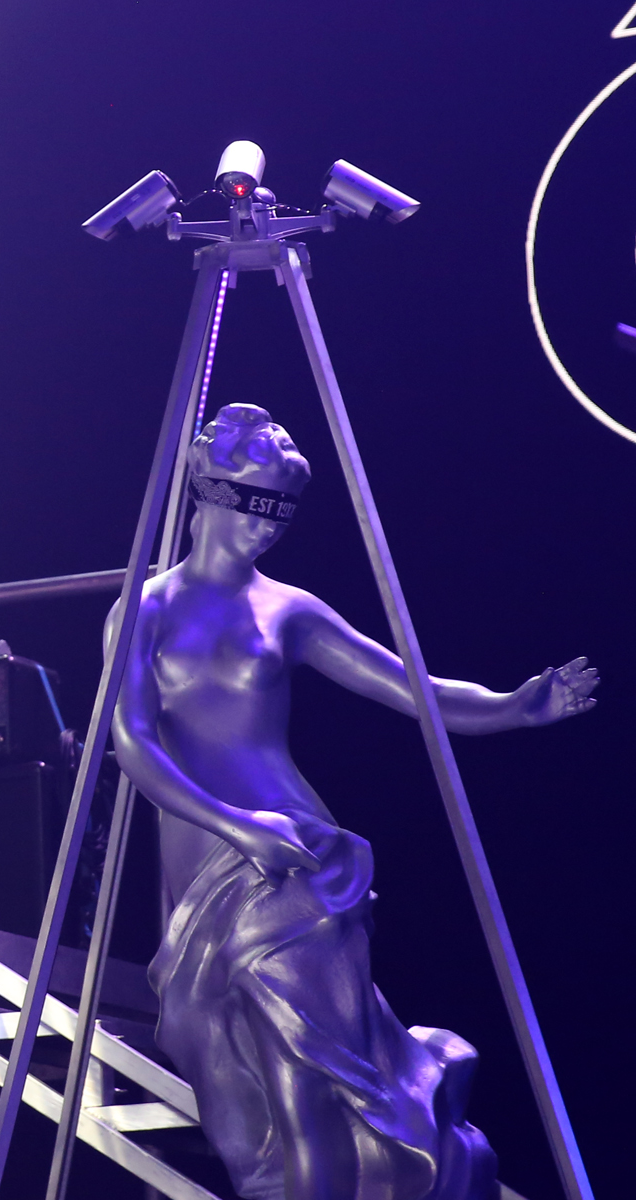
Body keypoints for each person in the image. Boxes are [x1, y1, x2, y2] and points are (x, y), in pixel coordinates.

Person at [110, 403, 598, 1200]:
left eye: (281, 511)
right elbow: (134, 745)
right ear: (209, 490)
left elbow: (414, 689)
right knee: (247, 1090)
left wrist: (514, 706)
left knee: (309, 1088)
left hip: (299, 865)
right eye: (253, 504)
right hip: (220, 860)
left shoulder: (288, 609)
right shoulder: (149, 609)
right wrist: (238, 827)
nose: (265, 527)